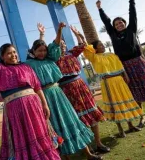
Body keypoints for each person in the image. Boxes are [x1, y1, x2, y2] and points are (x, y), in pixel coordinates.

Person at [0, 27, 60, 160]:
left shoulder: (26, 67)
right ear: (2, 57)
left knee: (38, 134)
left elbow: (37, 87)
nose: (13, 55)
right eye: (9, 53)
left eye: (15, 52)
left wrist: (44, 105)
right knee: (22, 137)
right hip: (14, 111)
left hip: (33, 107)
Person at [26, 23, 103, 160]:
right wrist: (42, 35)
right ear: (33, 51)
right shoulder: (29, 64)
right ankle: (65, 158)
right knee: (55, 125)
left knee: (71, 118)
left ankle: (89, 154)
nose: (42, 53)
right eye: (39, 51)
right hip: (45, 97)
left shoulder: (51, 58)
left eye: (44, 50)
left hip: (58, 93)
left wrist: (60, 30)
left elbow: (55, 44)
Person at [96, 0, 145, 128]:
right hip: (125, 66)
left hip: (139, 62)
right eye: (117, 24)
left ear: (125, 24)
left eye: (121, 23)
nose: (119, 25)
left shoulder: (131, 30)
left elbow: (133, 14)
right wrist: (100, 9)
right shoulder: (112, 35)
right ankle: (142, 117)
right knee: (134, 91)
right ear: (114, 27)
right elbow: (107, 22)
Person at [83, 37, 144, 138]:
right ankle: (120, 129)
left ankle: (130, 125)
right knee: (114, 104)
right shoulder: (94, 57)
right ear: (95, 49)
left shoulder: (112, 55)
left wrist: (126, 75)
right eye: (100, 45)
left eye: (102, 44)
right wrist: (80, 37)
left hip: (119, 81)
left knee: (125, 102)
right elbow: (87, 49)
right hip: (108, 83)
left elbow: (120, 66)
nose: (102, 46)